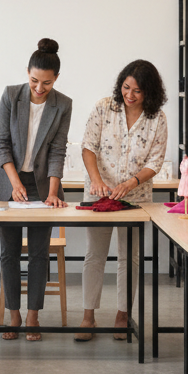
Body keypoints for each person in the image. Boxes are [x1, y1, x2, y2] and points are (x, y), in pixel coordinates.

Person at [0, 39, 72, 342]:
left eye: (46, 83)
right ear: (27, 73)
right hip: (8, 182)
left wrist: (52, 191)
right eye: (34, 80)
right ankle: (14, 314)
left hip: (40, 187)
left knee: (38, 254)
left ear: (55, 79)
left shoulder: (63, 104)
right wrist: (15, 183)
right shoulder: (11, 95)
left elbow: (58, 151)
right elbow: (1, 143)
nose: (39, 87)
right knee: (8, 253)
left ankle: (33, 315)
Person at [77, 59, 167, 341]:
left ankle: (123, 314)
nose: (130, 95)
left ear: (149, 93)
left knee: (130, 257)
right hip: (99, 193)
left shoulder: (157, 118)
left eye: (138, 91)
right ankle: (88, 316)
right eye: (126, 87)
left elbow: (155, 161)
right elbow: (88, 146)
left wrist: (131, 183)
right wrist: (95, 179)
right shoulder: (104, 107)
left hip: (135, 197)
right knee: (94, 255)